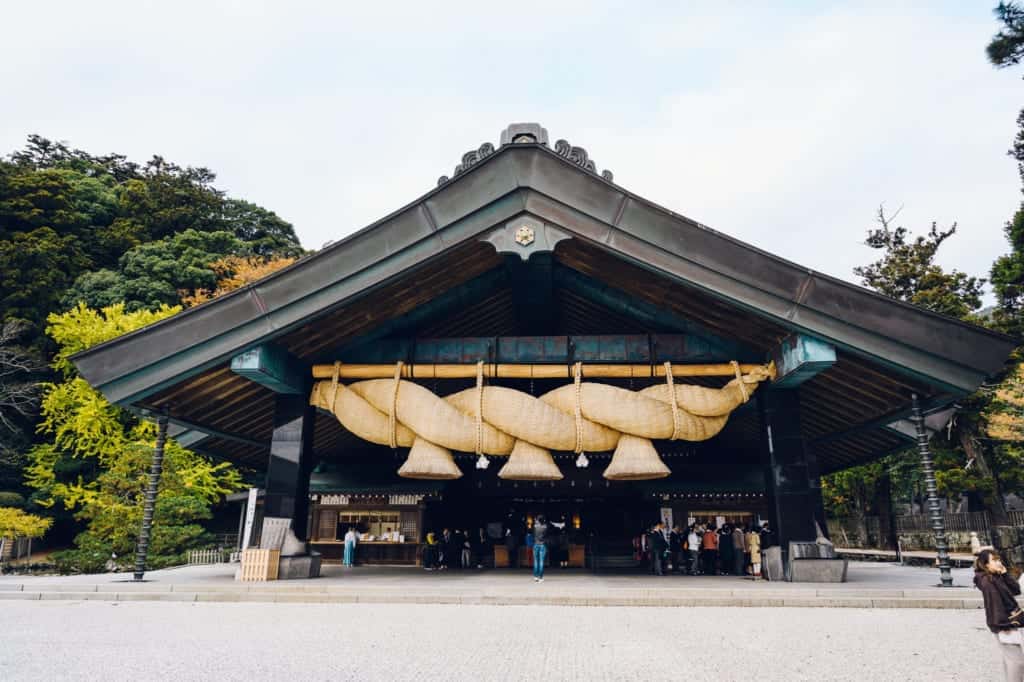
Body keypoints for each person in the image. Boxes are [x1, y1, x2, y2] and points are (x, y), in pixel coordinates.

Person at [974, 549, 1024, 680]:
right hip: (1004, 624)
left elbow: (1016, 590)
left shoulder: (997, 576)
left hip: (1007, 622)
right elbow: (994, 605)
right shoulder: (988, 581)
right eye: (994, 560)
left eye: (999, 559)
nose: (999, 562)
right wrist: (1004, 626)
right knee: (1017, 662)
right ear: (986, 565)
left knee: (1010, 660)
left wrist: (1006, 574)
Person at [533, 515, 549, 582]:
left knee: (536, 561)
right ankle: (541, 577)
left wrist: (536, 522)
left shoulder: (535, 527)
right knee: (541, 561)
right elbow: (546, 535)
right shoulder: (545, 527)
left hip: (536, 544)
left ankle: (536, 576)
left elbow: (533, 533)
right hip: (542, 544)